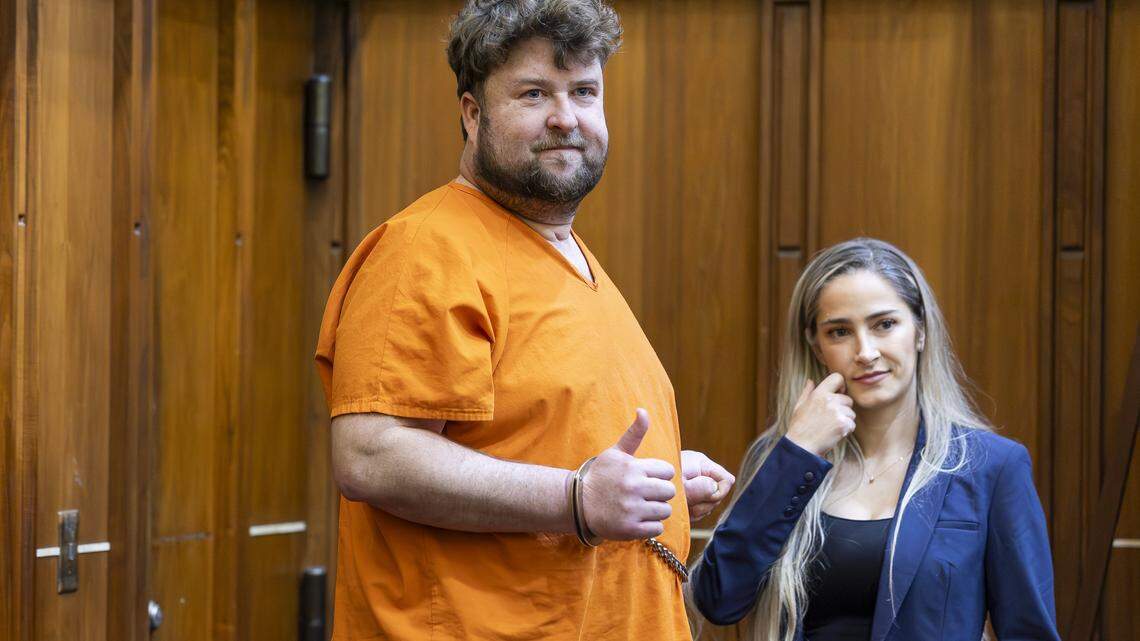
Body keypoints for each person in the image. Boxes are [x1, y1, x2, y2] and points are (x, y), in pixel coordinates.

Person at [315, 1, 734, 639]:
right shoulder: (427, 248)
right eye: (534, 93)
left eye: (584, 92)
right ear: (473, 113)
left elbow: (534, 437)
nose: (565, 118)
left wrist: (652, 478)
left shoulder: (569, 255)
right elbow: (372, 455)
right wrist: (577, 497)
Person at [688, 238, 1060, 641]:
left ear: (919, 330)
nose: (865, 352)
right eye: (840, 331)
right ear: (816, 345)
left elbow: (1029, 631)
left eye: (884, 324)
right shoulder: (784, 458)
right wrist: (797, 452)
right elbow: (718, 599)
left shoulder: (991, 466)